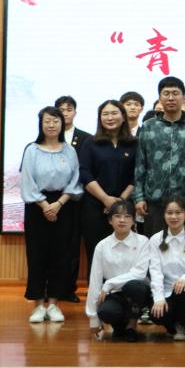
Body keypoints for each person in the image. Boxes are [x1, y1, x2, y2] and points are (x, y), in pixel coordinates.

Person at [21, 106, 83, 323]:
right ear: (41, 123)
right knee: (37, 255)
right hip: (37, 207)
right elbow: (27, 181)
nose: (51, 125)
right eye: (47, 121)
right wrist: (45, 205)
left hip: (64, 205)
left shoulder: (69, 151)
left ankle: (55, 304)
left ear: (62, 124)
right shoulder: (32, 150)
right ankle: (38, 305)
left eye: (56, 121)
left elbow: (75, 180)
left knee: (61, 255)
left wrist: (58, 204)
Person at [133, 76, 185, 236]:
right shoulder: (148, 127)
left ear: (183, 98)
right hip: (154, 200)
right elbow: (140, 165)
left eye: (175, 93)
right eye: (166, 93)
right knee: (155, 245)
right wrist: (139, 197)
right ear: (160, 98)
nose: (170, 98)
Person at [78, 100, 137, 271]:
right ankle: (96, 286)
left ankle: (122, 286)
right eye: (105, 114)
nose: (110, 117)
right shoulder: (91, 142)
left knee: (124, 251)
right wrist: (105, 199)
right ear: (100, 118)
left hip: (125, 206)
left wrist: (120, 201)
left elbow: (138, 174)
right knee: (96, 249)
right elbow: (84, 173)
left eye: (114, 113)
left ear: (123, 116)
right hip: (95, 205)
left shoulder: (134, 143)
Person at [86, 199, 150, 342]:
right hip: (114, 294)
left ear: (133, 221)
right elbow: (95, 281)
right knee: (105, 311)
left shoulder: (143, 241)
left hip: (138, 292)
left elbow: (139, 273)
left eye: (127, 216)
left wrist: (109, 283)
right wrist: (93, 319)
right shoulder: (102, 246)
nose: (122, 220)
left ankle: (132, 326)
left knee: (135, 287)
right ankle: (120, 326)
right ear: (110, 220)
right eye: (117, 216)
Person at [148, 196, 185, 340]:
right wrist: (159, 298)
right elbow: (155, 272)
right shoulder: (155, 240)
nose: (174, 217)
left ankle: (182, 325)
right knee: (156, 315)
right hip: (166, 291)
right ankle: (171, 326)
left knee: (181, 291)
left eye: (178, 212)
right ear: (164, 215)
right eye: (169, 213)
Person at [54, 95, 91, 300]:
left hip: (76, 200)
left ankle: (68, 289)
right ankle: (51, 288)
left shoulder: (86, 138)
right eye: (61, 109)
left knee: (72, 245)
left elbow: (84, 170)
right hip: (52, 200)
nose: (65, 113)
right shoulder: (47, 137)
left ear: (75, 112)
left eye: (69, 109)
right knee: (52, 245)